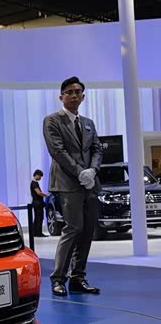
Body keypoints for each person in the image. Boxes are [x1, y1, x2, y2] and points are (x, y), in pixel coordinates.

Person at [42, 77, 103, 297]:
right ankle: (58, 279)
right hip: (68, 183)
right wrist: (80, 172)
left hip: (90, 184)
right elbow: (57, 151)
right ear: (61, 97)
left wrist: (93, 170)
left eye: (78, 92)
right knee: (73, 228)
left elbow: (97, 149)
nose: (74, 95)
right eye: (69, 92)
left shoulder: (88, 123)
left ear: (83, 97)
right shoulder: (52, 120)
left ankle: (78, 278)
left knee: (87, 232)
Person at [30, 169, 49, 237]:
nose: (40, 178)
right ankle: (39, 233)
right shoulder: (34, 183)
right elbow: (39, 193)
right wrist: (46, 195)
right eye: (40, 176)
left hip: (36, 203)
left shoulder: (34, 183)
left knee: (37, 218)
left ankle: (35, 232)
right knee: (39, 218)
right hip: (37, 203)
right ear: (37, 175)